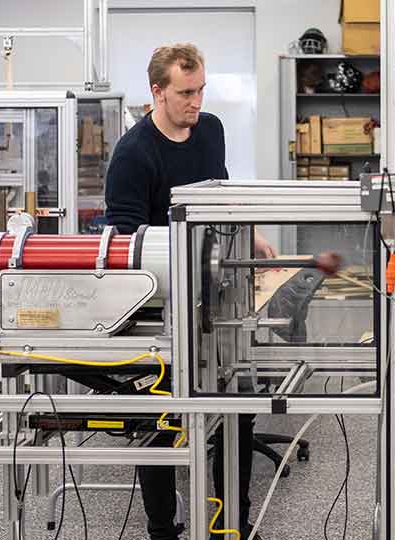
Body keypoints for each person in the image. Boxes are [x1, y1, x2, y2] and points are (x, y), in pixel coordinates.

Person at [105, 43, 271, 540]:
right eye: (185, 93)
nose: (196, 103)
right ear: (157, 92)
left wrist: (251, 233)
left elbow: (219, 192)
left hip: (214, 297)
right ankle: (163, 528)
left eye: (200, 90)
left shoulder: (211, 130)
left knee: (237, 408)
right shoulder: (134, 154)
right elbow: (126, 248)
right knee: (158, 418)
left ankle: (230, 525)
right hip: (159, 307)